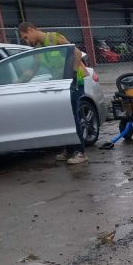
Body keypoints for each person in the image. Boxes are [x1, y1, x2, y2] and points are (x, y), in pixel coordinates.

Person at [17, 22, 89, 165]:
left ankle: (80, 152)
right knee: (64, 118)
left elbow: (76, 53)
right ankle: (69, 149)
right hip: (60, 86)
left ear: (30, 30)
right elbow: (32, 70)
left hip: (73, 83)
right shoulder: (38, 49)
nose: (27, 41)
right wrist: (17, 83)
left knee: (73, 118)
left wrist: (72, 74)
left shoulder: (54, 38)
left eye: (26, 37)